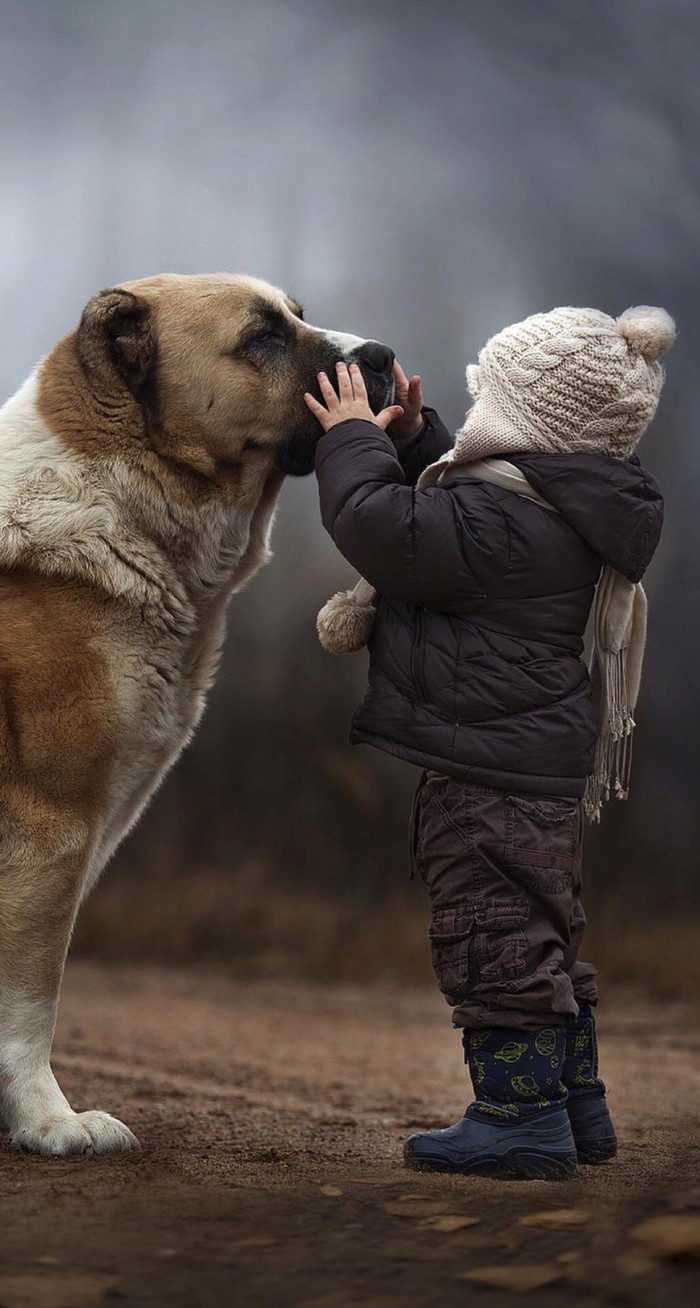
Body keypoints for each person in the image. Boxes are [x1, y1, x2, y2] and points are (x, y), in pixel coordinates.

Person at [304, 305, 674, 1179]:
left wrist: (352, 440)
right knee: (541, 930)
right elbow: (454, 511)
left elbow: (380, 526)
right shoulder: (555, 508)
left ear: (527, 419)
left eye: (487, 401)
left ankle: (518, 1120)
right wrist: (411, 438)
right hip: (534, 766)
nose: (474, 420)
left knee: (492, 935)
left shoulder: (502, 528)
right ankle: (576, 1108)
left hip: (487, 773)